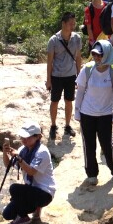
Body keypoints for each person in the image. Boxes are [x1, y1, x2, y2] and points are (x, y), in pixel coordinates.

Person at [74, 40, 113, 185]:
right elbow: (80, 91)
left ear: (107, 54)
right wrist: (77, 112)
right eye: (94, 54)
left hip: (105, 114)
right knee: (89, 145)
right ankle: (92, 174)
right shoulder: (87, 69)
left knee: (107, 145)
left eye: (100, 55)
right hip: (87, 113)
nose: (96, 58)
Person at [1, 123, 56, 224]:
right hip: (31, 190)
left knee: (14, 188)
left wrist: (19, 158)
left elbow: (31, 171)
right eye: (23, 137)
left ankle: (29, 212)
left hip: (45, 193)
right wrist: (5, 152)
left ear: (38, 137)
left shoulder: (42, 152)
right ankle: (29, 212)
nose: (24, 139)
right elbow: (8, 165)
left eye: (28, 137)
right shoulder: (23, 149)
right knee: (7, 214)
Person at [46, 12, 82, 142]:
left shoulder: (77, 38)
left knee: (69, 101)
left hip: (70, 75)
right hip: (56, 75)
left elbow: (78, 58)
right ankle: (53, 125)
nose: (73, 26)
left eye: (74, 23)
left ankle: (67, 126)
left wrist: (79, 76)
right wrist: (48, 80)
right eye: (70, 23)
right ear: (63, 23)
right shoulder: (53, 40)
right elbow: (49, 61)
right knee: (54, 101)